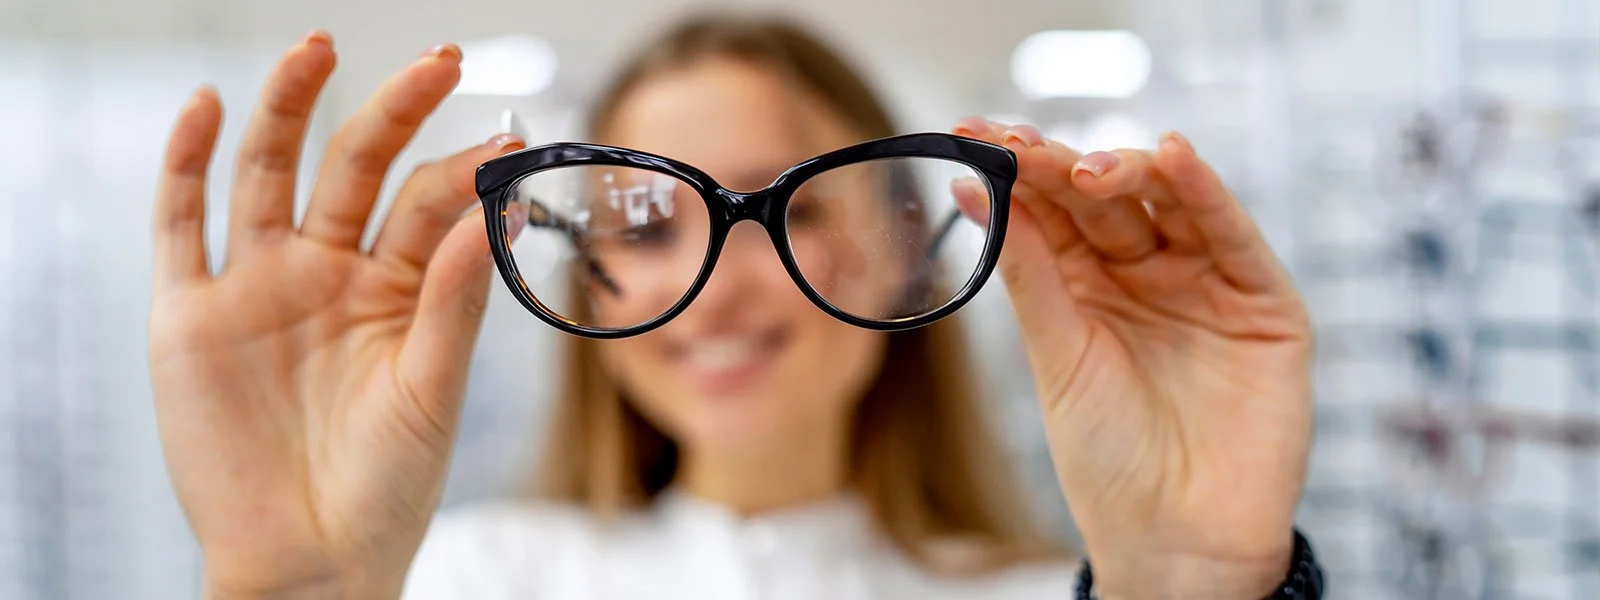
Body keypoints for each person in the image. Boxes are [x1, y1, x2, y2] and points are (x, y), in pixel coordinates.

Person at [147, 11, 1317, 600]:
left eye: (793, 207)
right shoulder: (452, 583)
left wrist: (1197, 596)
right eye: (648, 224)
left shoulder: (1059, 599)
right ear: (588, 276)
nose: (719, 279)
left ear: (903, 254)